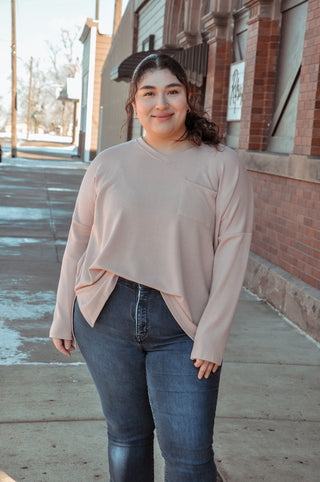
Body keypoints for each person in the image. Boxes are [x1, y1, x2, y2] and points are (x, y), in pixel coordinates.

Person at [50, 53, 254, 482]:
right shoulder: (108, 163)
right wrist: (61, 316)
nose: (161, 103)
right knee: (126, 438)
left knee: (190, 457)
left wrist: (213, 335)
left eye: (172, 91)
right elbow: (78, 242)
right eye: (149, 94)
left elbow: (233, 251)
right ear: (134, 105)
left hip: (183, 326)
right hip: (104, 316)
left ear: (188, 98)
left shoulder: (221, 163)